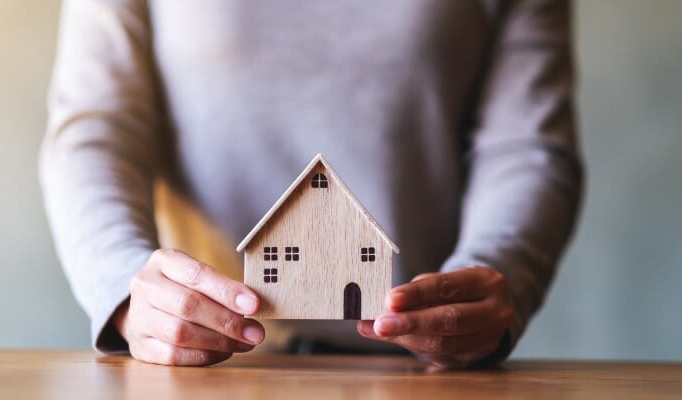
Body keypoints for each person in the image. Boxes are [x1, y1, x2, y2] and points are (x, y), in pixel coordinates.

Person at [40, 0, 583, 369]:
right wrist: (123, 283)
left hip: (424, 376)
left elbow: (527, 146)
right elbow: (98, 125)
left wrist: (495, 269)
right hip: (208, 371)